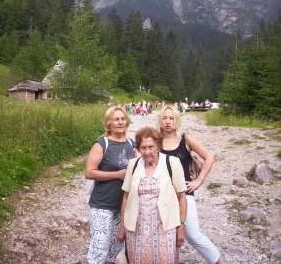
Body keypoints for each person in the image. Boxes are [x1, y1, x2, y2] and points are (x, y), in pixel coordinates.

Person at [157, 104, 224, 264]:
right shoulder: (155, 141)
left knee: (193, 234)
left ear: (177, 120)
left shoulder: (185, 139)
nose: (168, 121)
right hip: (162, 195)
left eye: (171, 118)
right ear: (160, 120)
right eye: (164, 118)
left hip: (185, 194)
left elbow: (209, 157)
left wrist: (198, 180)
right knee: (167, 236)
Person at [118, 126, 187, 264]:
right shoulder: (133, 164)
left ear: (158, 146)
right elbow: (126, 196)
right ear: (138, 148)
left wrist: (181, 226)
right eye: (143, 148)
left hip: (164, 228)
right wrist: (122, 227)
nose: (147, 152)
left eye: (151, 147)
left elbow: (182, 196)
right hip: (137, 230)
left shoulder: (171, 163)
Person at [85, 106, 136, 264]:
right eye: (116, 119)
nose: (120, 122)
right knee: (98, 250)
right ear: (109, 124)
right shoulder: (102, 144)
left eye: (122, 119)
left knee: (114, 250)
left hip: (122, 206)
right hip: (102, 204)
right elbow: (89, 172)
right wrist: (116, 174)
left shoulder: (131, 144)